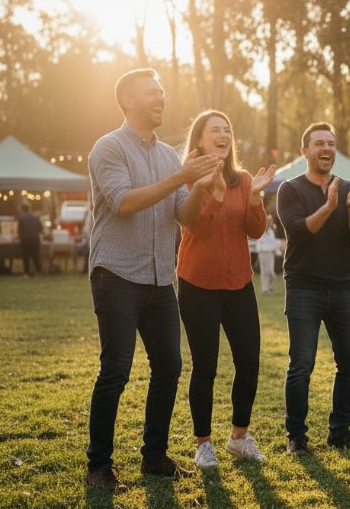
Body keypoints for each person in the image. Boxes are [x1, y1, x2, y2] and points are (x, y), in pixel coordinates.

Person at [85, 68, 223, 491]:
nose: (161, 98)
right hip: (117, 273)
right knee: (116, 371)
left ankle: (155, 457)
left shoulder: (167, 156)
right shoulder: (108, 148)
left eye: (162, 92)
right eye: (152, 93)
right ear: (128, 101)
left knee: (169, 366)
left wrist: (198, 186)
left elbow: (183, 215)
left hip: (161, 277)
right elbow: (124, 203)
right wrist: (182, 178)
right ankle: (98, 467)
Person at [176, 110, 277, 468]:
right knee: (205, 366)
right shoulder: (189, 179)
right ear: (200, 140)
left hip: (238, 282)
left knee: (248, 361)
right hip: (197, 282)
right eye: (214, 130)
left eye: (227, 129)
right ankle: (203, 443)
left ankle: (239, 437)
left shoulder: (244, 179)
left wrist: (254, 199)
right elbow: (197, 229)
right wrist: (215, 194)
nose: (223, 135)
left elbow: (255, 230)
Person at [278, 122, 350, 455]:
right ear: (305, 151)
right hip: (303, 287)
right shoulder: (289, 189)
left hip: (342, 288)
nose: (327, 148)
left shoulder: (346, 187)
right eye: (319, 143)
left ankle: (340, 431)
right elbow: (299, 232)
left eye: (331, 143)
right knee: (301, 363)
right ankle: (296, 436)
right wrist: (329, 207)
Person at [256, 215, 281, 295]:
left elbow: (273, 243)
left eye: (270, 221)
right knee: (265, 272)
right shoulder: (261, 231)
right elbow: (260, 244)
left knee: (270, 272)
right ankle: (265, 289)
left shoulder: (271, 232)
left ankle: (269, 287)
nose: (270, 223)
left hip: (270, 254)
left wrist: (276, 251)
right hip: (263, 254)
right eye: (268, 221)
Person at [17, 202, 43, 277]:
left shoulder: (21, 218)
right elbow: (40, 228)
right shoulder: (36, 217)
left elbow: (19, 230)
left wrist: (20, 237)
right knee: (36, 256)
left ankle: (26, 273)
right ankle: (38, 272)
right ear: (29, 209)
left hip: (25, 240)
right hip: (35, 239)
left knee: (25, 257)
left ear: (22, 210)